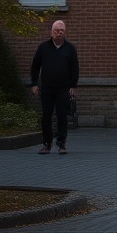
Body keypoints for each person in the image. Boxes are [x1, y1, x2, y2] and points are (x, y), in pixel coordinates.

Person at [30, 19, 79, 155]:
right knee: (46, 116)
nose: (59, 33)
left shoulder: (70, 49)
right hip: (46, 88)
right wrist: (34, 83)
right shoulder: (43, 48)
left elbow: (75, 68)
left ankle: (61, 144)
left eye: (62, 30)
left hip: (63, 88)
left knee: (62, 116)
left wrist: (73, 86)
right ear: (51, 32)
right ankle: (46, 144)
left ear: (65, 32)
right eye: (56, 31)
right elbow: (35, 66)